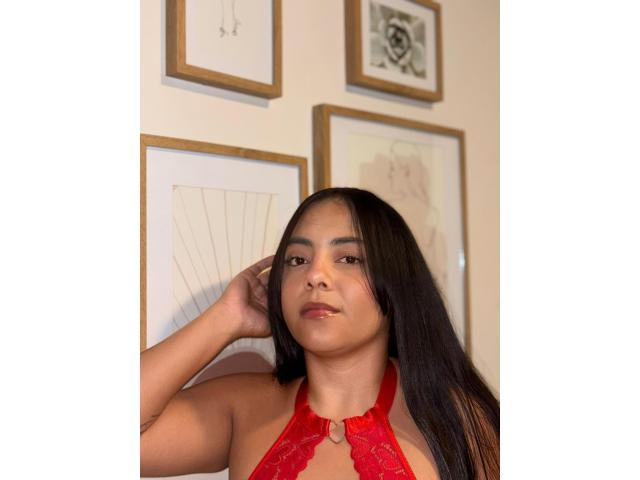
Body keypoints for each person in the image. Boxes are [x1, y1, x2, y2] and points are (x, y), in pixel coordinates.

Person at [140, 187, 499, 479]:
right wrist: (225, 317)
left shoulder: (460, 420)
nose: (315, 276)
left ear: (396, 281)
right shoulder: (243, 406)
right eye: (297, 260)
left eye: (349, 258)